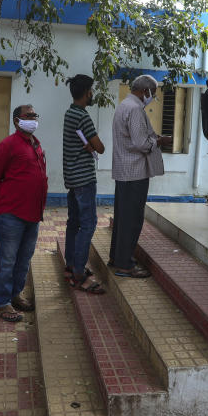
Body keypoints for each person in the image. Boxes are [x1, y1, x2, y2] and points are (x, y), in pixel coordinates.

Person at [0, 105, 49, 322]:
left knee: (24, 259)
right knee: (8, 260)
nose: (33, 118)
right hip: (11, 213)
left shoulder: (36, 145)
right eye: (28, 116)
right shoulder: (8, 145)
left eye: (34, 115)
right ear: (16, 121)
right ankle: (2, 303)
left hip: (32, 213)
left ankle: (16, 294)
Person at [110, 74, 172, 278]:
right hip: (134, 172)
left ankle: (117, 258)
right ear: (145, 90)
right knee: (132, 219)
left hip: (124, 171)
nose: (153, 97)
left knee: (123, 218)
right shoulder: (135, 109)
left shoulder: (124, 105)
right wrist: (159, 142)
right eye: (153, 93)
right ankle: (125, 265)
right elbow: (140, 143)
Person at [62, 75, 107, 292]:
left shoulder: (70, 113)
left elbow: (86, 143)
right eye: (91, 90)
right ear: (87, 92)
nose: (92, 94)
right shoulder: (83, 116)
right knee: (88, 224)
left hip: (72, 178)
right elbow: (100, 147)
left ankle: (71, 266)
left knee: (74, 224)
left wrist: (88, 144)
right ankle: (79, 274)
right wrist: (93, 144)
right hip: (84, 179)